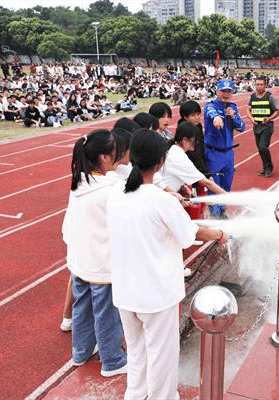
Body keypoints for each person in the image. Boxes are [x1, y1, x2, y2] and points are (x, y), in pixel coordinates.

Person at [106, 131, 229, 400]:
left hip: (126, 292)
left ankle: (135, 396)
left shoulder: (116, 191)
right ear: (161, 162)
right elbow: (191, 234)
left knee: (138, 353)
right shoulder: (161, 201)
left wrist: (172, 201)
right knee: (162, 356)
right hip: (157, 295)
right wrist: (220, 234)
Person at [62, 129, 128, 377]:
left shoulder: (80, 182)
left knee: (83, 308)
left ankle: (80, 352)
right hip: (103, 264)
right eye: (115, 152)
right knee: (107, 314)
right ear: (104, 157)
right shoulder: (110, 191)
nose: (119, 155)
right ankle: (112, 361)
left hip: (81, 260)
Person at [203, 79, 246, 217]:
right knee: (214, 186)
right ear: (217, 91)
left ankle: (222, 211)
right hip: (214, 153)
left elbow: (242, 127)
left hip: (229, 154)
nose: (226, 94)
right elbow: (211, 113)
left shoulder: (232, 107)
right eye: (223, 91)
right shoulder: (210, 105)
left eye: (229, 91)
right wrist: (216, 117)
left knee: (226, 185)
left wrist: (233, 117)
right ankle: (214, 214)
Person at [162, 122, 226, 196]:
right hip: (165, 198)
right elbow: (206, 183)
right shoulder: (179, 157)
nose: (197, 142)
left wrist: (184, 187)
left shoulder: (173, 148)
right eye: (195, 139)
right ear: (184, 140)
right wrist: (229, 196)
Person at [247, 76, 279, 177]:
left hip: (267, 126)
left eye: (261, 85)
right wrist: (251, 118)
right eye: (257, 84)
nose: (259, 87)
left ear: (265, 85)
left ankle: (269, 168)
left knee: (263, 147)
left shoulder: (270, 97)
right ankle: (265, 167)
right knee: (260, 149)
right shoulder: (252, 97)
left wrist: (269, 118)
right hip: (256, 126)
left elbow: (277, 111)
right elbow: (248, 109)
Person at [178, 101, 208, 176]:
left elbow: (200, 146)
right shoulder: (185, 130)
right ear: (185, 117)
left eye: (198, 114)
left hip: (199, 161)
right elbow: (193, 153)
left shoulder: (198, 126)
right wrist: (205, 172)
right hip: (189, 166)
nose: (197, 117)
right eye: (193, 115)